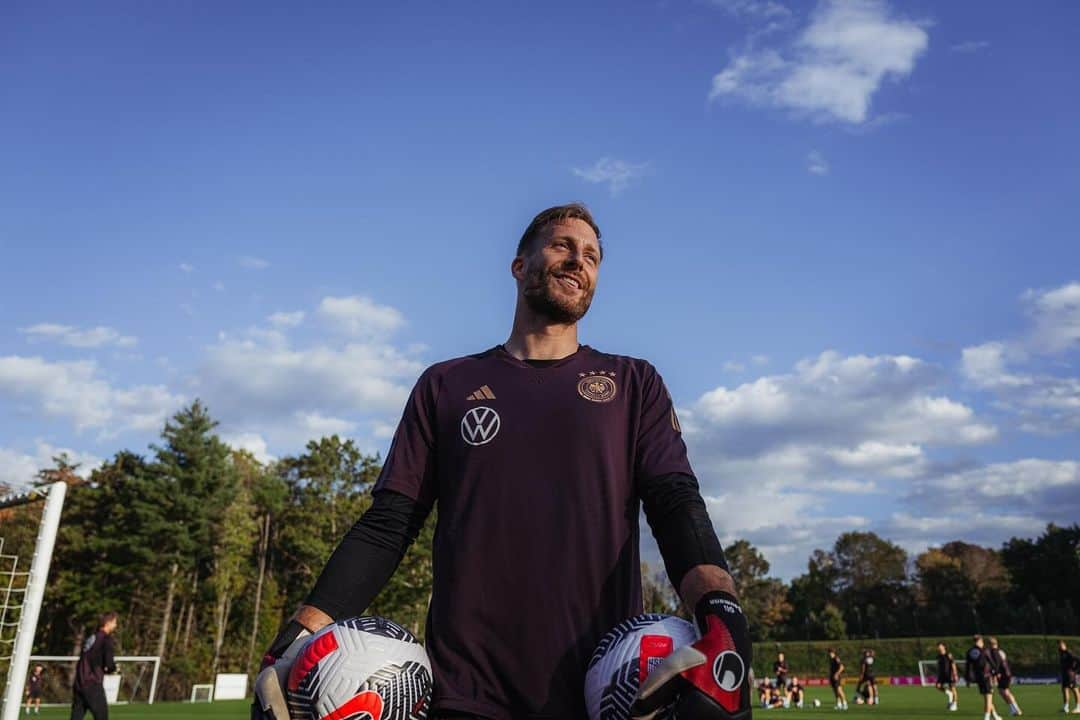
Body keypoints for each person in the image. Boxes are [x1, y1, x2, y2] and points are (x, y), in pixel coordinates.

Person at [253, 204, 751, 720]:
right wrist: (297, 636)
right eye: (562, 245)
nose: (578, 260)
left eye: (592, 256)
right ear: (519, 266)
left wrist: (723, 617)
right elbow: (387, 527)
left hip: (601, 691)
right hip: (466, 695)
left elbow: (676, 506)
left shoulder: (634, 384)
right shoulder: (445, 385)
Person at [71, 612, 118, 720]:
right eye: (114, 622)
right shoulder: (106, 639)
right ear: (107, 623)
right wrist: (113, 669)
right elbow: (109, 664)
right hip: (92, 683)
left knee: (76, 716)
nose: (116, 626)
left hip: (79, 683)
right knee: (101, 717)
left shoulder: (91, 638)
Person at [966, 635, 1001, 720]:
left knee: (987, 698)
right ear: (980, 640)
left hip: (978, 677)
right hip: (986, 676)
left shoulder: (970, 651)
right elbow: (991, 662)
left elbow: (968, 666)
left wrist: (968, 679)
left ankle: (995, 716)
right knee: (988, 698)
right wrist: (996, 672)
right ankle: (986, 718)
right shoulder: (984, 650)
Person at [987, 637, 1022, 716]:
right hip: (1006, 673)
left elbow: (997, 664)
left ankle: (1016, 709)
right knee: (1002, 691)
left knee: (1005, 692)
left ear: (990, 644)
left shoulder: (994, 652)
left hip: (1003, 674)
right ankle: (1013, 709)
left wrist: (996, 673)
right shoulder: (1000, 651)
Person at [935, 642, 958, 711]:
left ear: (944, 647)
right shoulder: (938, 656)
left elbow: (953, 664)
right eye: (938, 646)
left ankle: (954, 704)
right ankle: (949, 694)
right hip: (942, 675)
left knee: (953, 689)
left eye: (940, 646)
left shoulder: (948, 655)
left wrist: (955, 674)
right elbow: (939, 666)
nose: (939, 647)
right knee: (938, 686)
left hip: (949, 674)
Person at [1060, 639, 1080, 714]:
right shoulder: (1062, 653)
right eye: (1059, 645)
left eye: (1062, 645)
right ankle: (1066, 707)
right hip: (1065, 674)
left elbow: (1077, 660)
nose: (1060, 646)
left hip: (1070, 674)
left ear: (1065, 645)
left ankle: (1078, 707)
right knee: (1065, 689)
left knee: (1074, 689)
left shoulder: (1068, 653)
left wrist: (1075, 670)